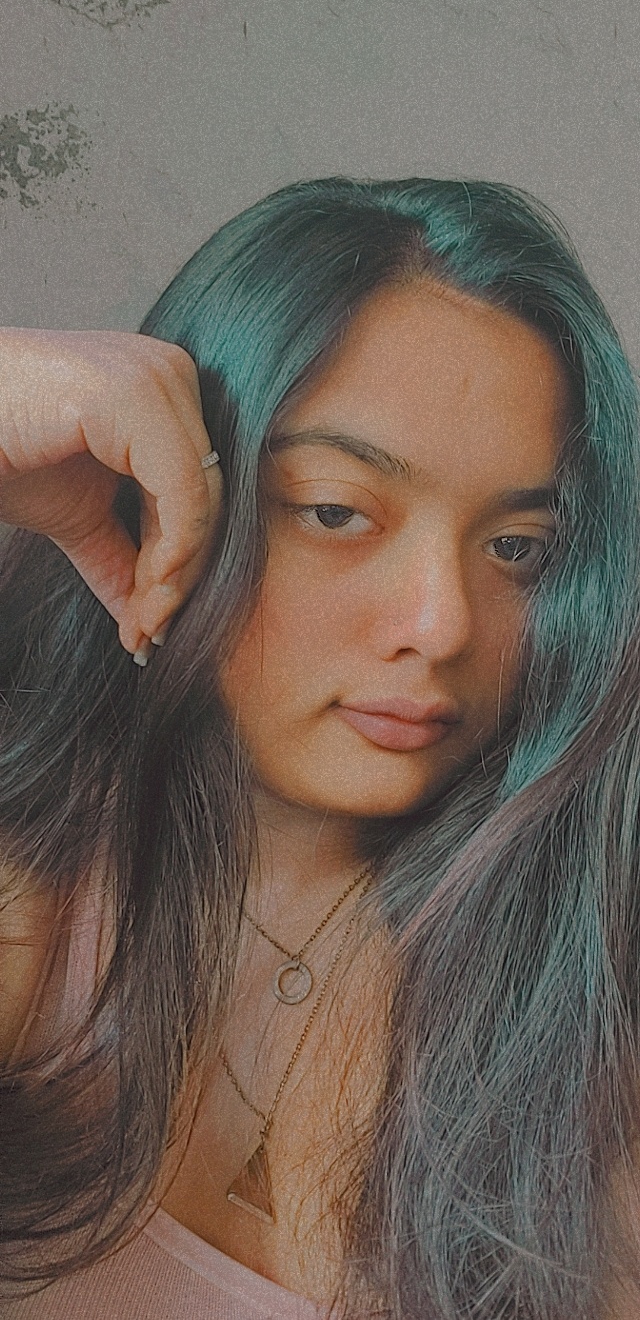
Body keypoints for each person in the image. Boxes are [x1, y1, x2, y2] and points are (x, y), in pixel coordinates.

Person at [1, 176, 640, 1320]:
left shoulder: (574, 1027)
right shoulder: (39, 895)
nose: (440, 621)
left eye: (516, 548)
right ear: (167, 489)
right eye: (336, 510)